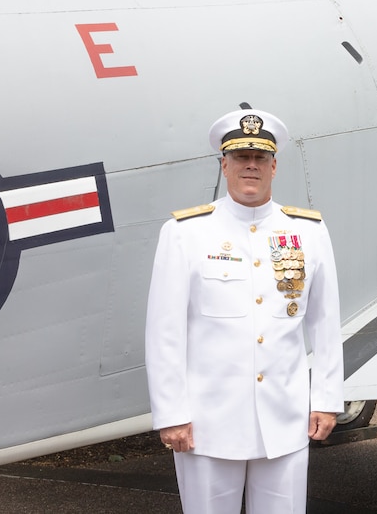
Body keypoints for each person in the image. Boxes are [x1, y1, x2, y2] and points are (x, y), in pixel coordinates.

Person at [145, 106, 344, 514]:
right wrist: (171, 412)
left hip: (285, 421)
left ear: (274, 166)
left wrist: (326, 398)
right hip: (206, 423)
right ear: (224, 165)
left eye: (259, 158)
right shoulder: (185, 233)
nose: (249, 166)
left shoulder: (308, 232)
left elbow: (325, 323)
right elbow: (165, 332)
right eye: (240, 157)